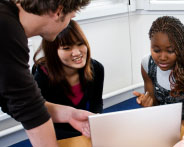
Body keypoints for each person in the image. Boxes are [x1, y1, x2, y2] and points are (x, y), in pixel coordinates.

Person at [0, 0, 92, 146]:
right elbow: (28, 106)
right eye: (70, 17)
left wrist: (69, 115)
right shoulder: (6, 29)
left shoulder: (8, 19)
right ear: (58, 12)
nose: (70, 21)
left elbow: (8, 98)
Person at [32, 20, 104, 140]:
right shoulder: (41, 76)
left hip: (84, 127)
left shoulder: (96, 68)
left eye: (80, 44)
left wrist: (94, 121)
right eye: (66, 48)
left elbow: (96, 103)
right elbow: (40, 117)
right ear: (53, 52)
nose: (76, 53)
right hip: (54, 132)